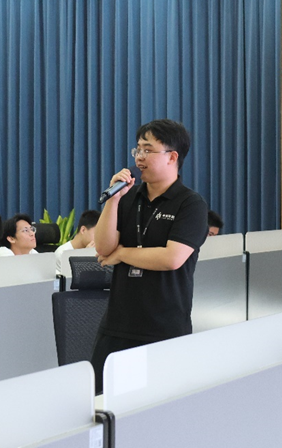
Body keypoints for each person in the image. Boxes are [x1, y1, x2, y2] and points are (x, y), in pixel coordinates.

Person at [91, 119, 208, 392]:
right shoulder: (128, 197)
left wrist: (123, 253)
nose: (139, 157)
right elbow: (104, 248)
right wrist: (114, 200)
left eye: (148, 149)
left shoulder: (190, 204)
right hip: (118, 324)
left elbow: (171, 258)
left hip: (164, 327)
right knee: (102, 401)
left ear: (172, 157)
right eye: (138, 150)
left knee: (159, 405)